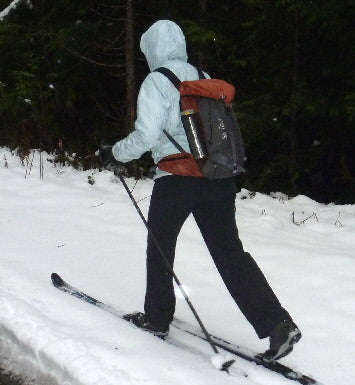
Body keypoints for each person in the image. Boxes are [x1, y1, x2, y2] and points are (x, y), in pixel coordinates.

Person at [97, 19, 301, 361]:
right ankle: (277, 323)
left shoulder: (157, 81)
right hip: (218, 178)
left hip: (177, 179)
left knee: (160, 248)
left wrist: (114, 154)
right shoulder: (204, 78)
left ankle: (157, 318)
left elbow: (146, 136)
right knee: (230, 254)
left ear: (152, 48)